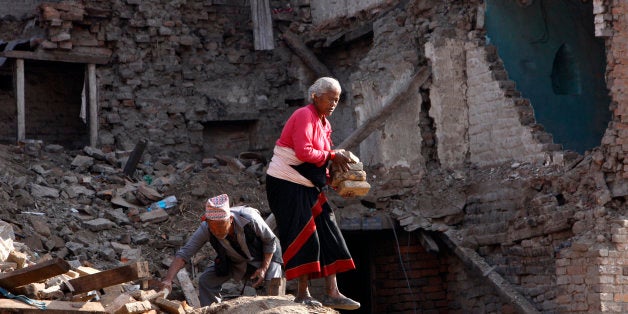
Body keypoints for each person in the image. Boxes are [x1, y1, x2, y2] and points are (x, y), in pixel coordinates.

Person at [265, 77, 360, 310]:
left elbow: (321, 160)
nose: (333, 104)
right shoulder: (303, 115)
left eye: (337, 100)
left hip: (308, 184)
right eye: (330, 98)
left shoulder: (324, 124)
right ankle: (302, 293)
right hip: (285, 182)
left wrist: (335, 179)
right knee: (305, 235)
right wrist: (332, 155)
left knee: (329, 230)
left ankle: (333, 292)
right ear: (315, 96)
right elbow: (305, 152)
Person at [160, 194, 283, 307]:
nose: (217, 231)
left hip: (265, 254)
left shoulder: (249, 218)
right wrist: (168, 279)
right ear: (207, 222)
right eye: (213, 226)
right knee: (206, 281)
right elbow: (184, 254)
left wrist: (263, 268)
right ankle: (214, 310)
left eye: (220, 225)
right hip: (235, 260)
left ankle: (275, 308)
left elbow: (270, 241)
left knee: (273, 279)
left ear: (230, 219)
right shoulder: (206, 228)